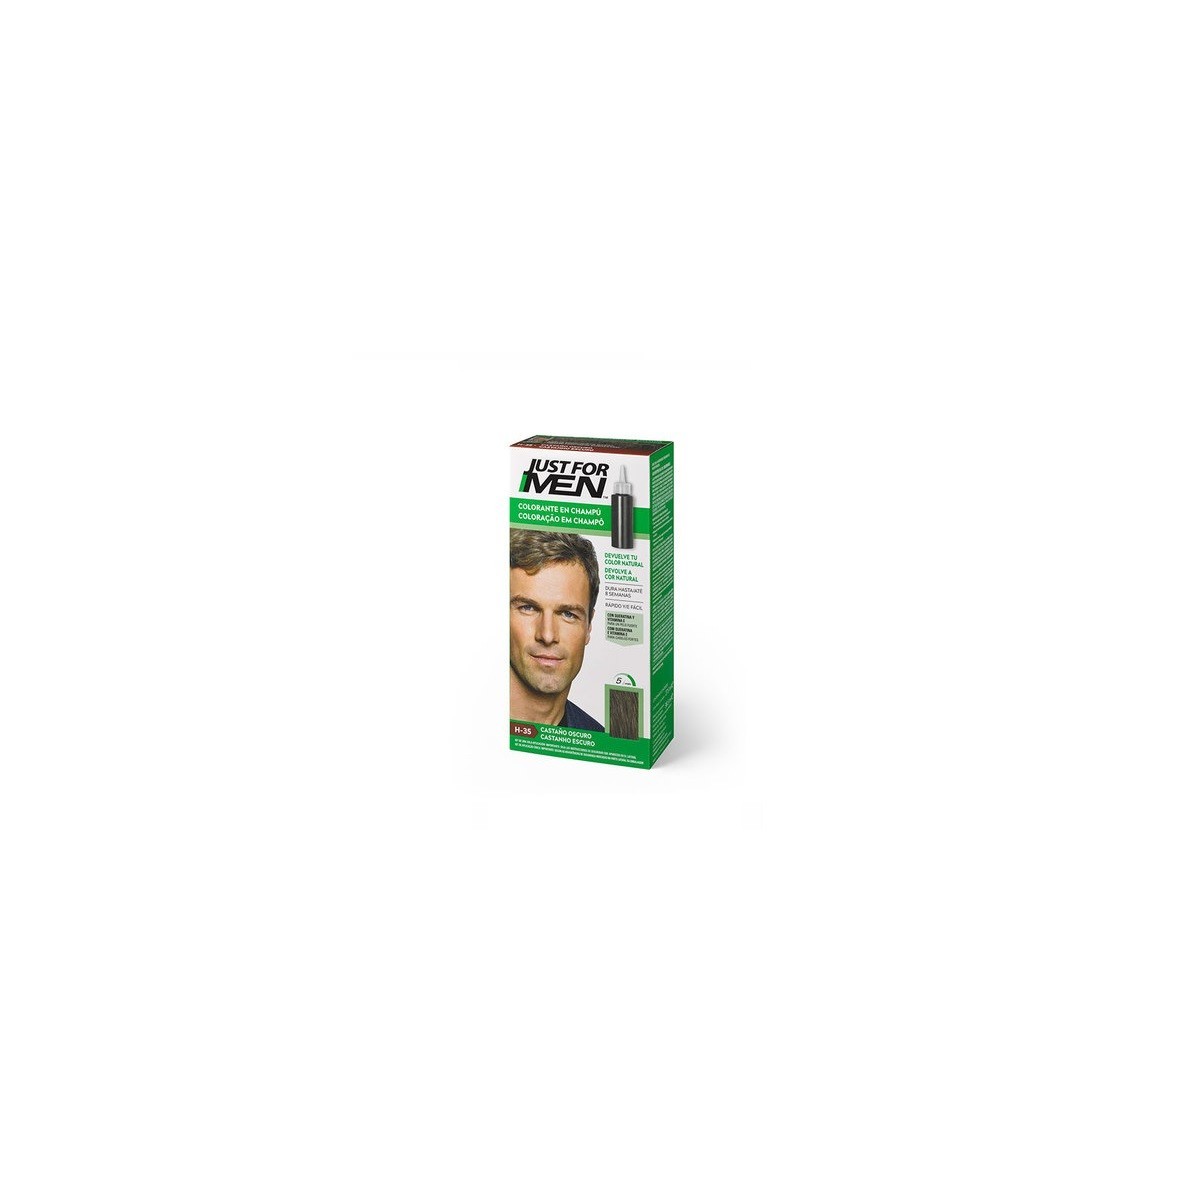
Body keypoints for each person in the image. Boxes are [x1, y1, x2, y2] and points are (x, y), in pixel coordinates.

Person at [510, 528, 604, 730]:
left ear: (588, 627)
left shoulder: (600, 739)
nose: (547, 635)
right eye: (528, 608)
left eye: (568, 614)